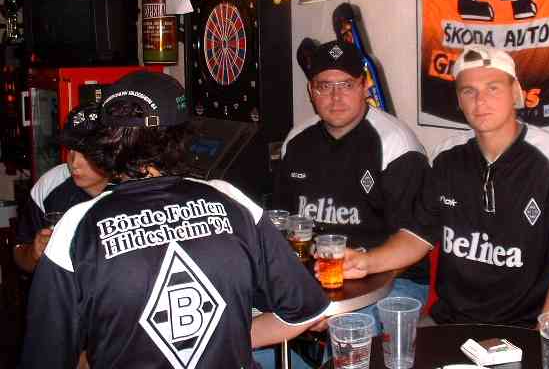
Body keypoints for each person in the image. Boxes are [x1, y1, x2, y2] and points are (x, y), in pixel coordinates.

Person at [19, 71, 329, 368]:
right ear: (181, 136)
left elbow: (45, 357)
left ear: (106, 140)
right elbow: (305, 311)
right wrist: (220, 339)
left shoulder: (75, 226)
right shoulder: (231, 200)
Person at [343, 46, 549, 327]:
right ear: (459, 101)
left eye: (493, 88)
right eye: (468, 91)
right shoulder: (446, 157)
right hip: (450, 322)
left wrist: (541, 337)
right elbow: (417, 237)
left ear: (515, 92)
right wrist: (365, 262)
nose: (480, 101)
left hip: (524, 327)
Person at [274, 39, 430, 330]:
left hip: (392, 278)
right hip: (316, 275)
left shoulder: (396, 145)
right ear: (311, 91)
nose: (336, 97)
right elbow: (281, 225)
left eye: (346, 85)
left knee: (347, 328)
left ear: (364, 85)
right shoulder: (296, 142)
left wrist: (341, 303)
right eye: (324, 86)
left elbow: (414, 241)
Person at [13, 103, 109, 273]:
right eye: (70, 149)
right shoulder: (50, 184)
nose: (74, 162)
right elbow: (20, 255)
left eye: (86, 152)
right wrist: (34, 253)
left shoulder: (132, 186)